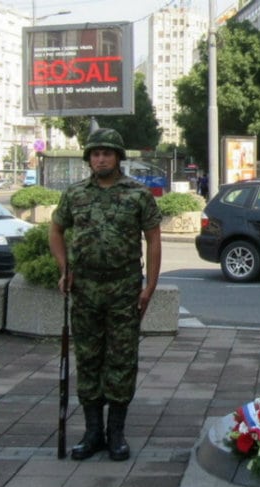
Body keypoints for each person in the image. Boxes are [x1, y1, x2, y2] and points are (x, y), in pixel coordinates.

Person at [49, 128, 163, 461]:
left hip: (123, 288)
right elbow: (56, 230)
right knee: (88, 359)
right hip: (85, 290)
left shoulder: (138, 195)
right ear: (89, 159)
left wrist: (150, 286)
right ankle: (92, 432)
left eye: (107, 153)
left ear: (118, 158)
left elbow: (153, 240)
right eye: (95, 153)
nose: (101, 158)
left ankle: (116, 433)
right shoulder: (74, 195)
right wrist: (64, 269)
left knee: (122, 360)